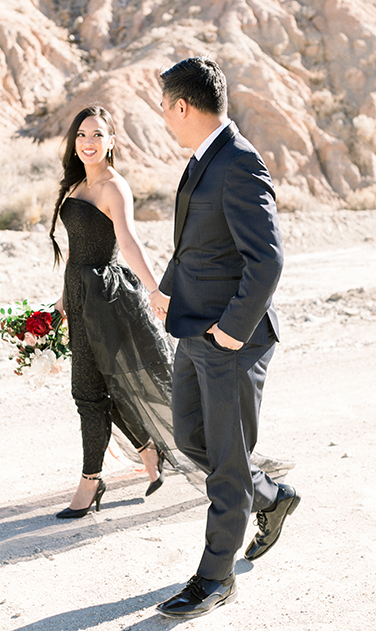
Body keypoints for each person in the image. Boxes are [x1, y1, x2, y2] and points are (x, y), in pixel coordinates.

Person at [149, 57, 300, 618]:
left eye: (165, 106)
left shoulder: (239, 162)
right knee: (191, 439)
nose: (163, 116)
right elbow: (197, 243)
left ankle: (215, 578)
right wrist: (166, 287)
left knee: (226, 465)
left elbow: (268, 260)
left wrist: (233, 332)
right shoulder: (201, 160)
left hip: (231, 340)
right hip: (194, 329)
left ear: (182, 106)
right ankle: (271, 495)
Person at [49, 105, 180, 519]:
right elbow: (74, 250)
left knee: (88, 392)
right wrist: (61, 300)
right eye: (82, 135)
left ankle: (91, 480)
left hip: (106, 298)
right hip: (79, 292)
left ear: (111, 142)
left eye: (98, 135)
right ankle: (148, 450)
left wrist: (156, 289)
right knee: (102, 388)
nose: (89, 142)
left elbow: (128, 243)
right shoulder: (75, 185)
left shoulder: (113, 186)